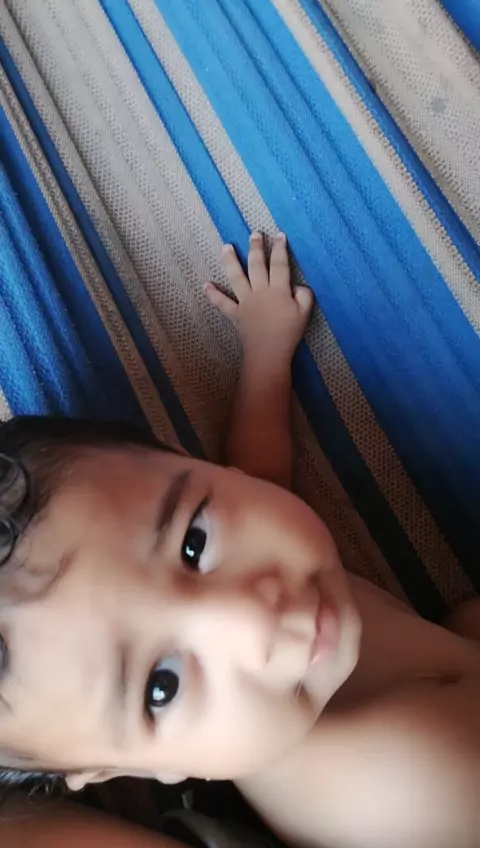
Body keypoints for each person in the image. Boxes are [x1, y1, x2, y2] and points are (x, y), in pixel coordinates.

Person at [0, 232, 479, 848]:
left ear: (186, 459)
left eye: (194, 543)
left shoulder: (275, 680)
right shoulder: (416, 790)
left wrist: (264, 352)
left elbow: (258, 477)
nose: (250, 618)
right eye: (161, 687)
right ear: (126, 769)